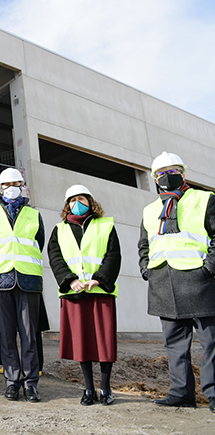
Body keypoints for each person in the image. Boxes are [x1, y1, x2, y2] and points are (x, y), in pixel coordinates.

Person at [138, 152, 215, 413]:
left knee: (211, 343)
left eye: (173, 171)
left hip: (199, 282)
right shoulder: (150, 210)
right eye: (161, 173)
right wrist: (146, 270)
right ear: (155, 179)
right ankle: (181, 393)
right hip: (163, 283)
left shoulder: (204, 199)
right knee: (175, 345)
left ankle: (214, 395)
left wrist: (210, 269)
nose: (167, 176)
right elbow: (144, 245)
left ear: (183, 173)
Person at [48, 185, 121, 406]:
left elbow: (114, 254)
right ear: (66, 205)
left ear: (90, 201)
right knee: (83, 344)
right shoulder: (58, 230)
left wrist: (99, 278)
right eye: (72, 200)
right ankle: (88, 389)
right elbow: (55, 258)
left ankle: (106, 388)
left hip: (100, 291)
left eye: (81, 198)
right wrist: (71, 280)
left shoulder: (106, 225)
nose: (76, 203)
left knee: (104, 343)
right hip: (74, 293)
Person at [0, 167, 44, 402]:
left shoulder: (34, 215)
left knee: (29, 335)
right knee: (6, 335)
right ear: (0, 188)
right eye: (6, 185)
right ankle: (11, 381)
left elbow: (39, 243)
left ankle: (31, 383)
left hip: (28, 280)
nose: (11, 188)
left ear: (22, 185)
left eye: (15, 184)